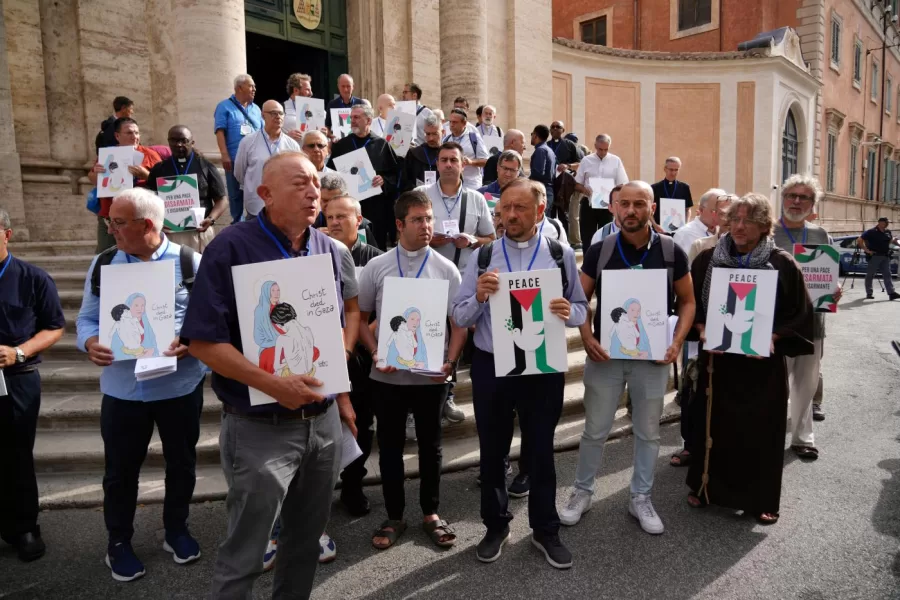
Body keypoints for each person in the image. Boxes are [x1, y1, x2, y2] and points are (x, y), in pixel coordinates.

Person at [181, 152, 360, 599]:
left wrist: (339, 395)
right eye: (300, 183)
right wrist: (273, 384)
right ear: (264, 194)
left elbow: (333, 323)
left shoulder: (326, 247)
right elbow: (202, 341)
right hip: (260, 427)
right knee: (246, 552)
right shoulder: (230, 247)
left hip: (321, 426)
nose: (312, 192)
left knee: (304, 544)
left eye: (316, 183)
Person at [452, 179, 587, 569]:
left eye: (520, 208)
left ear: (539, 212)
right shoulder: (482, 257)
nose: (510, 215)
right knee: (492, 452)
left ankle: (545, 531)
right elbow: (459, 316)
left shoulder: (560, 255)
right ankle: (496, 526)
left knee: (541, 451)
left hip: (542, 367)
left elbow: (581, 309)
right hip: (492, 365)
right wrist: (478, 296)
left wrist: (569, 312)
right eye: (504, 208)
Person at [76, 189, 205, 581]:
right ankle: (118, 541)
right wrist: (90, 342)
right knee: (120, 472)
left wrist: (190, 340)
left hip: (179, 388)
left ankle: (176, 529)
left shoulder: (190, 263)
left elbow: (212, 321)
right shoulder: (103, 265)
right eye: (110, 221)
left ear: (146, 225)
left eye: (117, 222)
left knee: (181, 464)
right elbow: (86, 319)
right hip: (122, 392)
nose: (109, 228)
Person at [560, 181, 696, 536]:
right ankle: (582, 492)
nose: (631, 210)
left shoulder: (670, 251)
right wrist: (586, 337)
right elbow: (579, 300)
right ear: (614, 208)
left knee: (649, 432)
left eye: (639, 204)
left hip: (652, 359)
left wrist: (677, 341)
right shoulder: (600, 250)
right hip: (606, 356)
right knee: (594, 430)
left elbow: (688, 301)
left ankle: (640, 496)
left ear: (652, 208)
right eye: (625, 204)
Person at [686, 193, 814, 525]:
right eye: (734, 219)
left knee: (761, 433)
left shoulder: (781, 263)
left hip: (761, 367)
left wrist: (773, 336)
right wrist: (701, 328)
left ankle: (761, 500)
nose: (740, 227)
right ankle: (705, 489)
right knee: (714, 426)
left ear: (763, 225)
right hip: (719, 365)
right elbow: (690, 305)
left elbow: (800, 314)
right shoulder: (707, 260)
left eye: (749, 220)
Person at [358, 190, 467, 550]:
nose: (426, 226)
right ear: (400, 224)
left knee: (431, 446)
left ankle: (430, 513)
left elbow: (459, 323)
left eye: (430, 219)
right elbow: (360, 319)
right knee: (388, 447)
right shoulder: (377, 266)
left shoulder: (445, 267)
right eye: (418, 219)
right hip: (387, 377)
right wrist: (375, 353)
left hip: (430, 378)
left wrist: (450, 363)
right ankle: (394, 515)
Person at [0, 208, 65, 562]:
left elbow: (55, 326)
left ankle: (24, 527)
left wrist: (19, 352)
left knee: (16, 453)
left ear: (7, 234)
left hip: (16, 378)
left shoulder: (33, 278)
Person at [773, 176, 843, 460]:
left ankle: (803, 437)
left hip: (812, 323)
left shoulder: (820, 234)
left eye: (804, 197)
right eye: (791, 195)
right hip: (776, 324)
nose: (796, 201)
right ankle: (770, 433)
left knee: (806, 382)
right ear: (783, 198)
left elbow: (830, 275)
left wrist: (835, 289)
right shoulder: (767, 232)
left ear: (812, 204)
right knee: (775, 383)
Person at [325, 194, 382, 516]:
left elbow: (386, 306)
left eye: (341, 216)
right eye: (330, 216)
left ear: (358, 221)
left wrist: (363, 332)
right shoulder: (316, 255)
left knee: (361, 423)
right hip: (324, 353)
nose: (334, 222)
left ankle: (353, 485)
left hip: (360, 356)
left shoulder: (375, 258)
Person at [328, 104, 402, 249]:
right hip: (348, 207)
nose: (352, 121)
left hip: (376, 208)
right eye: (351, 118)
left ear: (368, 121)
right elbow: (330, 174)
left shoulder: (382, 145)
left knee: (375, 247)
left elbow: (396, 175)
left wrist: (384, 180)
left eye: (356, 117)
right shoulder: (341, 145)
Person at [146, 125, 228, 252]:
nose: (179, 144)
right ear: (168, 142)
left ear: (192, 142)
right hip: (169, 234)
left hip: (199, 232)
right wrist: (156, 222)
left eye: (183, 141)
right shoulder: (159, 169)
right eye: (174, 140)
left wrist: (211, 219)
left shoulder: (206, 167)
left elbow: (222, 199)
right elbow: (149, 200)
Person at [88, 117, 162, 253]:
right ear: (117, 135)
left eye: (137, 133)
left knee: (142, 256)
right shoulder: (107, 155)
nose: (134, 136)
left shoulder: (151, 155)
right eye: (129, 133)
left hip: (141, 220)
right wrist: (96, 174)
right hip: (110, 220)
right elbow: (92, 179)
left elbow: (163, 185)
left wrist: (146, 175)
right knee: (107, 257)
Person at [420, 142, 495, 274]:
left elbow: (490, 239)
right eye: (444, 160)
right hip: (427, 274)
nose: (448, 164)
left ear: (463, 165)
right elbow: (403, 235)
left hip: (464, 275)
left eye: (454, 160)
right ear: (437, 165)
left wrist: (471, 241)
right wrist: (428, 240)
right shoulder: (420, 195)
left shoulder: (477, 198)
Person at [234, 100, 301, 219]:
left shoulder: (292, 145)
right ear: (263, 115)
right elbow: (239, 173)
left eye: (281, 113)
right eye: (273, 113)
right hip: (256, 206)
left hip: (284, 207)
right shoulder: (248, 142)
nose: (278, 117)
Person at [214, 74, 262, 224]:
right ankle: (237, 224)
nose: (254, 89)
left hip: (254, 160)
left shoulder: (256, 109)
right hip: (234, 158)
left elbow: (263, 131)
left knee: (255, 192)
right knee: (235, 194)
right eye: (251, 86)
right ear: (239, 88)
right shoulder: (224, 106)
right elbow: (220, 131)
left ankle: (255, 222)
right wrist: (224, 155)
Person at [574, 134, 629, 246]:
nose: (603, 152)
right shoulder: (586, 160)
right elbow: (577, 184)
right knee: (587, 237)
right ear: (595, 146)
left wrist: (613, 194)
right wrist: (586, 190)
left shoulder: (616, 161)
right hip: (588, 204)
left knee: (607, 237)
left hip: (608, 205)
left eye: (606, 149)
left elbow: (622, 184)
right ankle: (588, 262)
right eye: (600, 149)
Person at [442, 108, 489, 190]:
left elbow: (486, 161)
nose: (451, 125)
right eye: (450, 122)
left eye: (455, 122)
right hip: (452, 185)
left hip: (471, 185)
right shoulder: (446, 140)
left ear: (464, 123)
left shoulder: (474, 138)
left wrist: (471, 162)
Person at [673, 188, 725, 255]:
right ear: (701, 209)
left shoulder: (725, 233)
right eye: (714, 211)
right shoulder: (684, 234)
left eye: (722, 212)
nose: (718, 216)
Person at [859, 217, 900, 300]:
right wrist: (866, 250)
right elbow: (859, 240)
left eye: (887, 222)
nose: (887, 224)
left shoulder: (887, 232)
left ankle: (891, 293)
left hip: (885, 256)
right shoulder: (871, 231)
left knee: (887, 274)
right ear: (880, 222)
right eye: (885, 222)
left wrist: (896, 243)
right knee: (870, 275)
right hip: (875, 256)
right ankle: (869, 293)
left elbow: (890, 241)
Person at [529, 125, 559, 228]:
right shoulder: (549, 150)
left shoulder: (540, 150)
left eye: (532, 134)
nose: (531, 136)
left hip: (541, 191)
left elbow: (537, 174)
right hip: (548, 191)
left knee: (540, 225)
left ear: (536, 135)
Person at [651, 157, 694, 227]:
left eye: (676, 170)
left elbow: (687, 209)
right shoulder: (654, 188)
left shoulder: (684, 187)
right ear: (665, 169)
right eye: (671, 170)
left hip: (679, 230)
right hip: (659, 230)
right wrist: (654, 224)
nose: (673, 173)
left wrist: (686, 225)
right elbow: (649, 210)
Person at [404, 114, 442, 190]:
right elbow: (405, 181)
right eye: (428, 134)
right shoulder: (413, 154)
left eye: (435, 134)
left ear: (443, 132)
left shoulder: (449, 154)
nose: (431, 138)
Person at [283, 72, 322, 143]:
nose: (311, 93)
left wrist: (325, 132)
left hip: (312, 152)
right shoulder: (282, 108)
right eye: (307, 90)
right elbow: (270, 133)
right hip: (292, 152)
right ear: (295, 90)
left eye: (311, 90)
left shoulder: (316, 108)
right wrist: (286, 136)